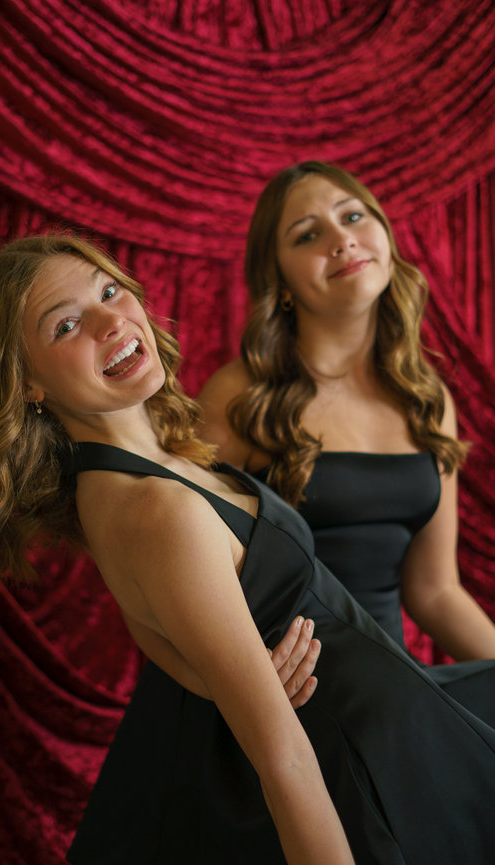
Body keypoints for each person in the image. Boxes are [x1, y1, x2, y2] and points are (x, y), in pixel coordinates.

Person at [0, 234, 495, 865]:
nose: (109, 322)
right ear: (26, 384)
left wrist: (206, 678)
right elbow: (283, 757)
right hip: (368, 769)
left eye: (109, 291)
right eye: (66, 325)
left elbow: (151, 624)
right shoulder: (157, 509)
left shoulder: (136, 473)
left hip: (394, 722)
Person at [198, 159, 495, 666]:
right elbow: (185, 579)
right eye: (307, 235)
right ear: (280, 282)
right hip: (280, 690)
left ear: (385, 237)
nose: (341, 240)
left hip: (396, 689)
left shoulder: (426, 397)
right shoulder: (241, 396)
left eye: (353, 216)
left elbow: (436, 592)